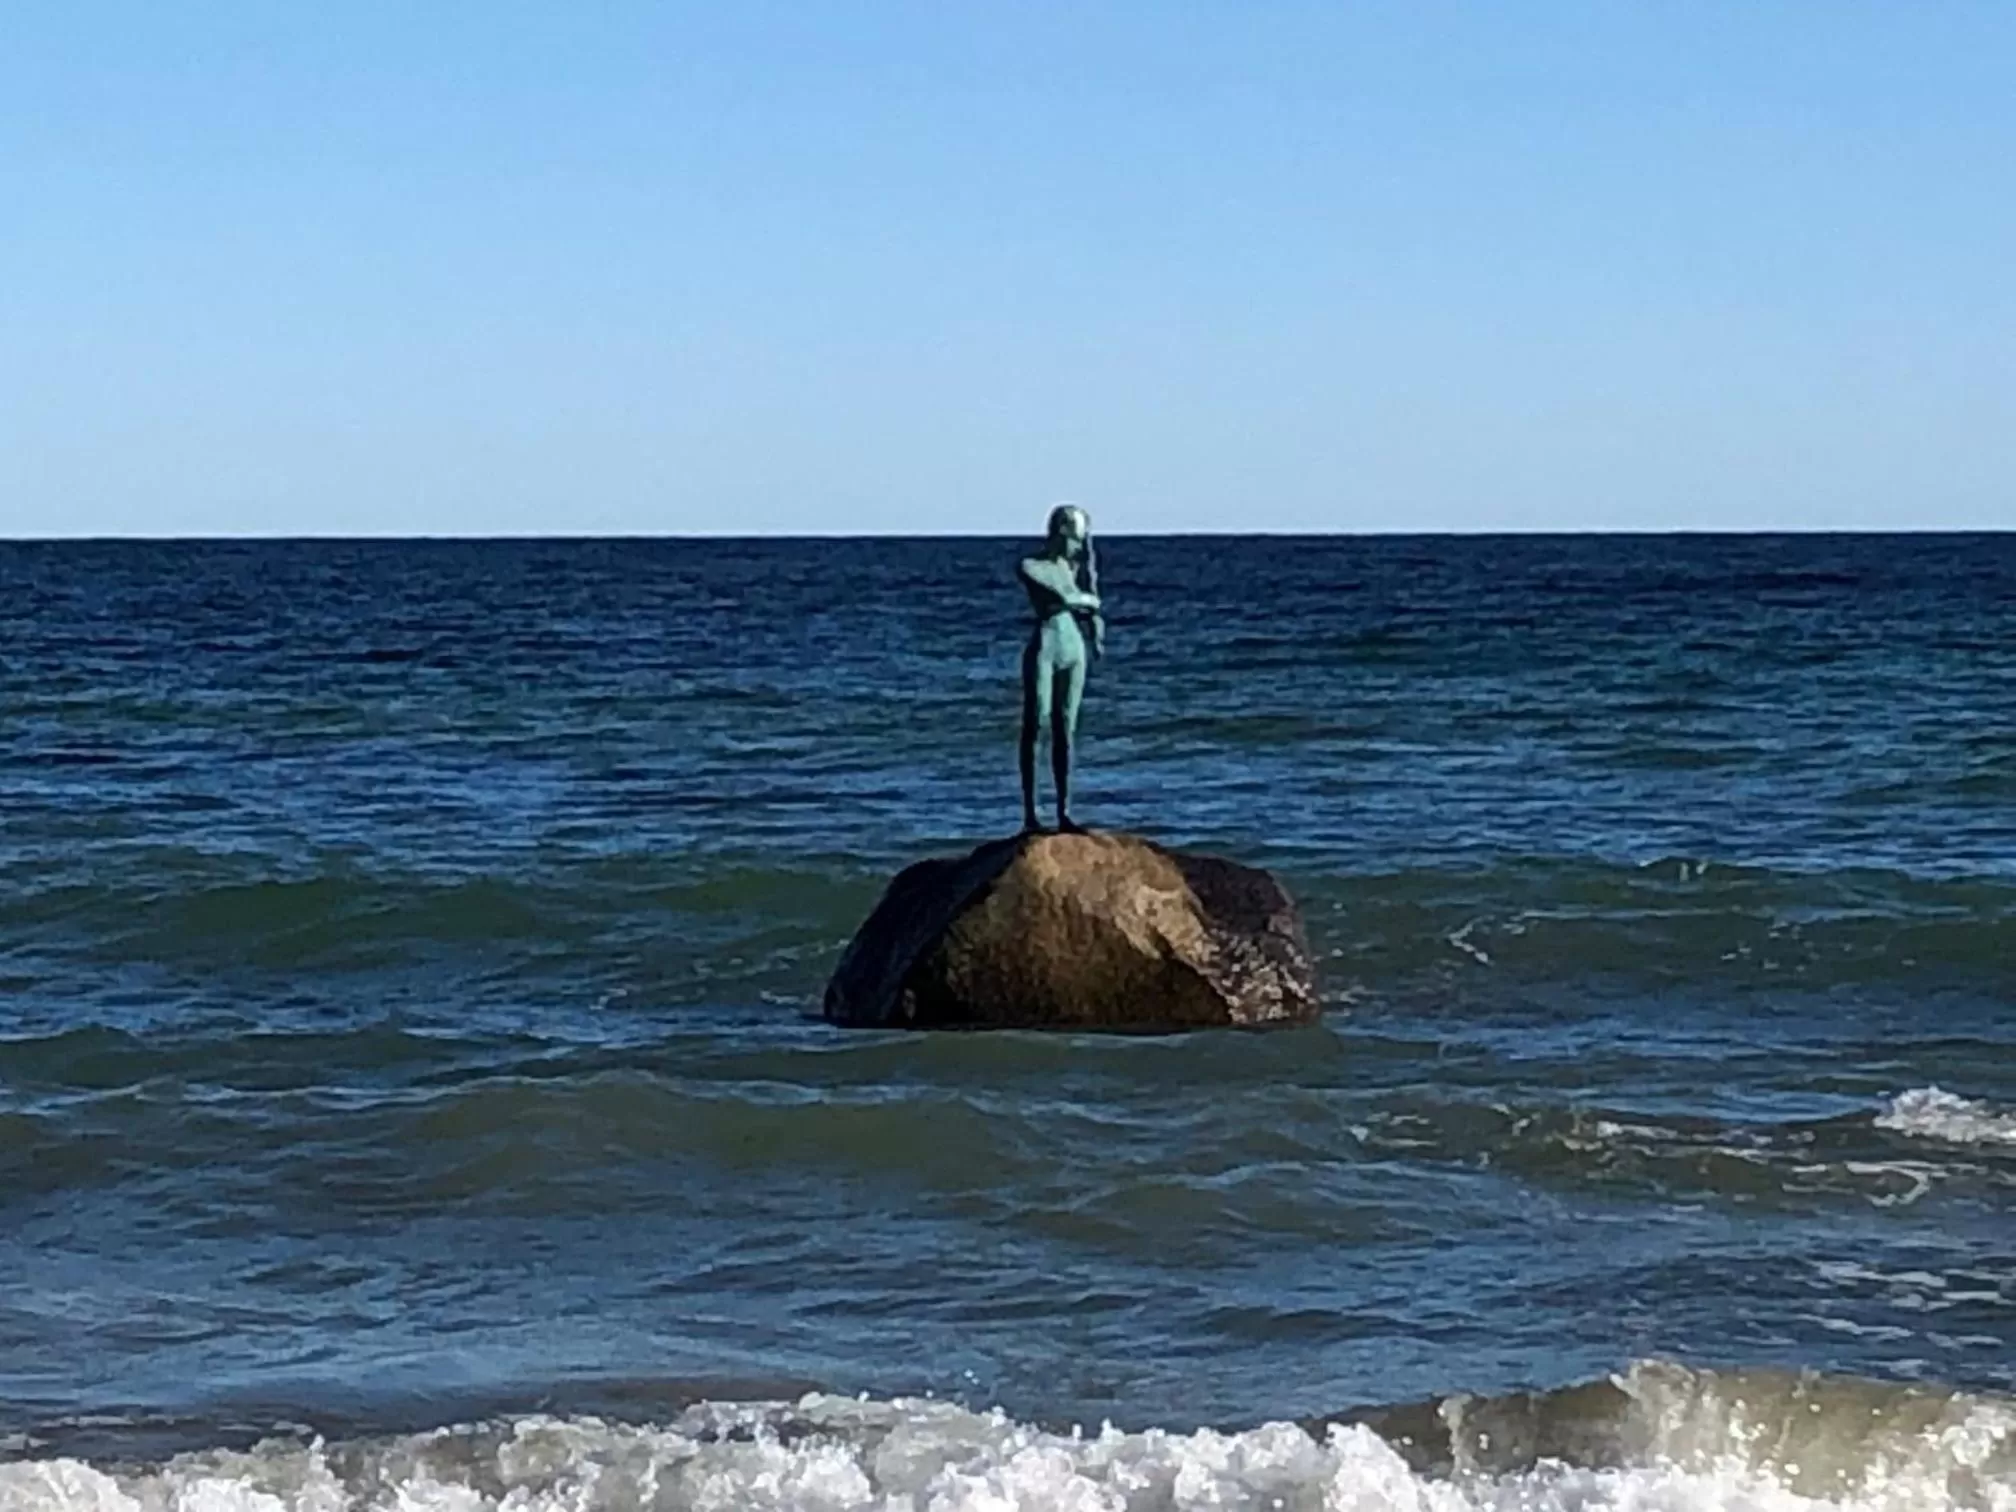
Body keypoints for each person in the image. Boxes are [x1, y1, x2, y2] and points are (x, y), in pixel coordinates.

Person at [1017, 504, 1104, 832]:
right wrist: (1088, 600)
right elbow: (1064, 597)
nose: (1079, 548)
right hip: (1046, 647)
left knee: (1065, 729)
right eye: (1075, 540)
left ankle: (1064, 812)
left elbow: (1081, 603)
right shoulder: (1031, 566)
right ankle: (1031, 814)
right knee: (1036, 724)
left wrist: (1093, 618)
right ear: (1061, 534)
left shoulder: (1071, 569)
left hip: (1072, 648)